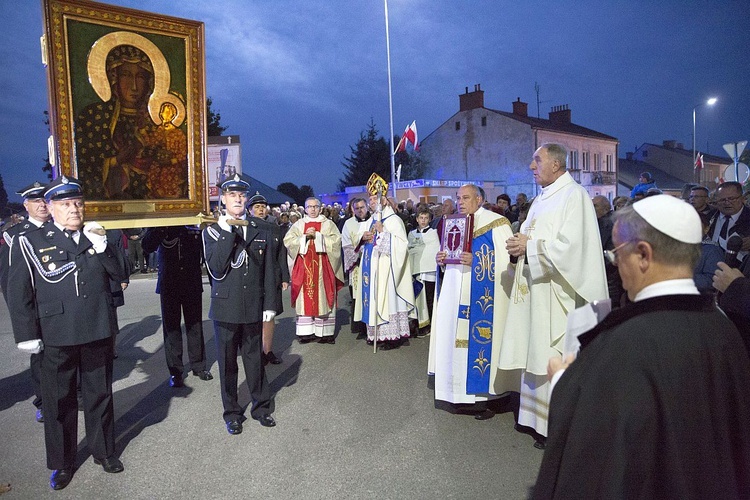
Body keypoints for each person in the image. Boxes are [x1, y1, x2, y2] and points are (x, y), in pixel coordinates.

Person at [533, 195, 750, 499]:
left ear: (644, 255)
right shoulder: (725, 329)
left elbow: (595, 460)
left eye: (616, 254)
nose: (616, 264)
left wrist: (564, 382)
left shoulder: (623, 344)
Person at [8, 176, 128, 490]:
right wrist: (26, 333)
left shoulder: (97, 234)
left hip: (97, 327)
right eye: (64, 204)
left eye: (77, 202)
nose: (74, 209)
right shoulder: (30, 240)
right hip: (56, 331)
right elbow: (19, 289)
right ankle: (63, 463)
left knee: (99, 393)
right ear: (50, 208)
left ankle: (104, 451)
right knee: (58, 401)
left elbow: (120, 274)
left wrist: (102, 246)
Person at [501, 143, 608, 447]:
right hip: (537, 287)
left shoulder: (575, 196)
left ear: (557, 164)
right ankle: (532, 417)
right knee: (534, 348)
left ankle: (556, 425)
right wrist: (519, 247)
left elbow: (573, 249)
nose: (531, 166)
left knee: (551, 351)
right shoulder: (542, 198)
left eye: (537, 161)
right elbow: (535, 236)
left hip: (558, 290)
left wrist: (530, 247)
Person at [202, 175, 278, 435]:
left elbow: (270, 269)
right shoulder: (212, 231)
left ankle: (261, 407)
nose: (237, 199)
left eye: (241, 195)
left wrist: (270, 304)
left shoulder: (259, 227)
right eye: (232, 195)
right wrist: (225, 232)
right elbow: (216, 267)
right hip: (225, 307)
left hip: (253, 305)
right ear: (222, 199)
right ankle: (232, 413)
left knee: (255, 360)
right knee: (227, 364)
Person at [429, 184, 513, 412]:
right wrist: (442, 261)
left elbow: (507, 265)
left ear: (479, 199)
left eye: (465, 198)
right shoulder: (454, 223)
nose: (460, 202)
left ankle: (484, 397)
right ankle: (457, 392)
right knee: (456, 339)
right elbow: (450, 258)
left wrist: (476, 260)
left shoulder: (496, 223)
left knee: (477, 341)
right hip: (455, 292)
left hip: (482, 297)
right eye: (458, 198)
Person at [0, 182, 51, 423]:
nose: (42, 205)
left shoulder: (60, 230)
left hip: (62, 308)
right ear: (26, 205)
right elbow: (11, 283)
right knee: (41, 358)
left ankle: (76, 393)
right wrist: (23, 323)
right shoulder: (14, 237)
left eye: (44, 200)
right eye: (36, 201)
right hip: (38, 309)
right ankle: (43, 401)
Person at [142, 225, 212, 386]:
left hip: (191, 282)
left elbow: (206, 252)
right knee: (172, 328)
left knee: (195, 326)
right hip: (169, 284)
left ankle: (199, 365)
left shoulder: (193, 226)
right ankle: (176, 371)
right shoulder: (162, 225)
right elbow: (147, 245)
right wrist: (160, 229)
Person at [354, 176, 416, 350]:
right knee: (375, 299)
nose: (372, 202)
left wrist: (383, 234)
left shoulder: (393, 220)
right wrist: (364, 237)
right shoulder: (372, 220)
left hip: (387, 270)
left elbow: (401, 246)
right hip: (373, 269)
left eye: (375, 199)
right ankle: (378, 335)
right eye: (370, 199)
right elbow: (360, 240)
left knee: (387, 300)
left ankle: (392, 336)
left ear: (384, 200)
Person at [284, 197, 344, 344]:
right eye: (309, 207)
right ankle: (306, 332)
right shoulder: (298, 224)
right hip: (304, 268)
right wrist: (304, 237)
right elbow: (288, 241)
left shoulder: (328, 224)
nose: (312, 209)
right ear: (305, 208)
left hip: (323, 269)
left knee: (323, 296)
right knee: (305, 297)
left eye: (315, 206)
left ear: (320, 208)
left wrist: (317, 236)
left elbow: (336, 242)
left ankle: (325, 333)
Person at [247, 192, 289, 364]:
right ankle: (255, 353)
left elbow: (281, 254)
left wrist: (285, 277)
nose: (260, 210)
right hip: (253, 278)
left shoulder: (274, 228)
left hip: (272, 278)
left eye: (263, 207)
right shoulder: (247, 227)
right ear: (250, 210)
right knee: (255, 317)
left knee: (270, 316)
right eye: (256, 207)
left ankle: (268, 351)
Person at [407, 207, 440, 337]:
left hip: (429, 270)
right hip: (416, 269)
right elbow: (411, 250)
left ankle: (430, 324)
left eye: (426, 218)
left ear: (430, 219)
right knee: (417, 299)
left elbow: (433, 249)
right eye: (421, 218)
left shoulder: (433, 233)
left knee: (429, 298)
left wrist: (419, 249)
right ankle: (418, 323)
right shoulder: (411, 234)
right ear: (417, 219)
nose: (423, 220)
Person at [341, 197, 370, 338]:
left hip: (372, 265)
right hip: (357, 265)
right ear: (353, 210)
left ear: (367, 206)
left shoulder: (374, 221)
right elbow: (346, 245)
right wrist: (359, 244)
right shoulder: (348, 223)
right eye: (357, 208)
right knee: (357, 297)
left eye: (362, 207)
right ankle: (360, 327)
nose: (360, 210)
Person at [592, 195, 624, 306]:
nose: (592, 208)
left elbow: (610, 252)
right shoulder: (600, 222)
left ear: (606, 208)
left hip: (609, 279)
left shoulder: (608, 224)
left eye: (595, 206)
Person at [708, 181, 750, 257]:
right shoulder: (709, 217)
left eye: (732, 199)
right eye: (722, 200)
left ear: (742, 198)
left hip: (741, 266)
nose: (727, 203)